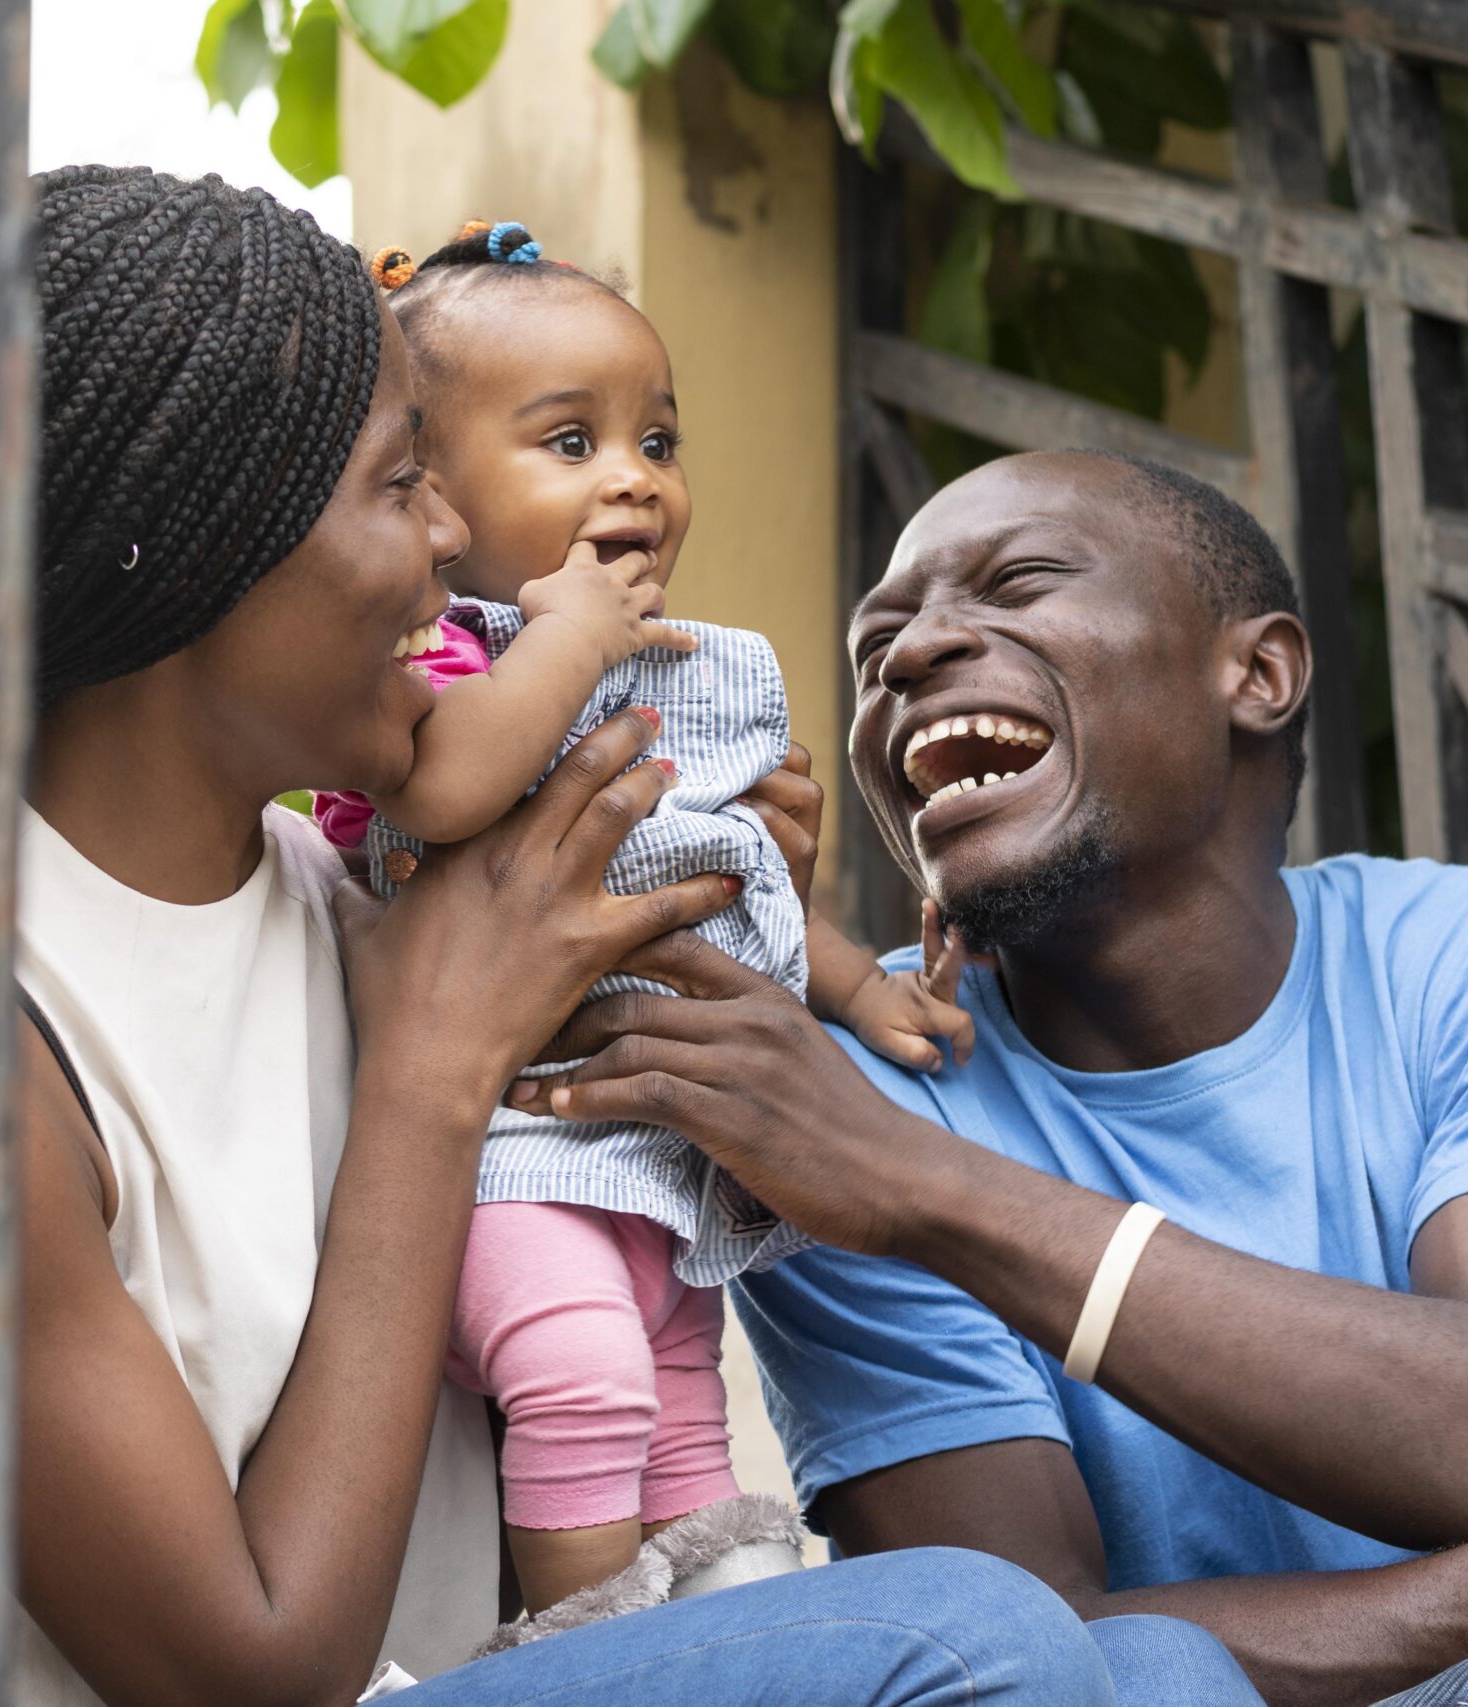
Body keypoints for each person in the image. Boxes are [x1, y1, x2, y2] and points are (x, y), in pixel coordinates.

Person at [0, 174, 1252, 1706]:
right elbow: (248, 1668)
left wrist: (733, 888)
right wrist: (438, 1069)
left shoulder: (328, 898)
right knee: (980, 1635)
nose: (453, 544)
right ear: (202, 555)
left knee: (1159, 1666)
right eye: (396, 483)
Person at [519, 448, 1468, 1706]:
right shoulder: (826, 1110)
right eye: (877, 645)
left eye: (1019, 582)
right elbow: (1023, 1665)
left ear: (1257, 673)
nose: (910, 655)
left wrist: (918, 1188)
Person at [305, 217, 975, 1635]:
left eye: (657, 443)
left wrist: (856, 987)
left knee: (682, 1416)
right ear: (428, 493)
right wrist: (570, 641)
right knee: (583, 1377)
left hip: (659, 1169)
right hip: (506, 1153)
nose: (633, 477)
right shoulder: (440, 659)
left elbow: (738, 879)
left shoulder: (689, 667)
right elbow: (447, 783)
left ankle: (731, 1645)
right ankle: (593, 1662)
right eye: (569, 443)